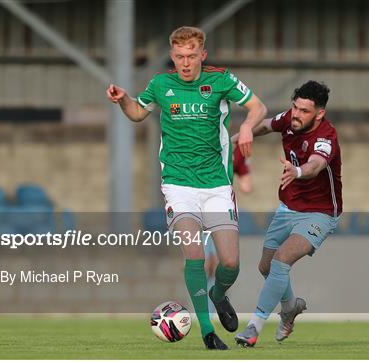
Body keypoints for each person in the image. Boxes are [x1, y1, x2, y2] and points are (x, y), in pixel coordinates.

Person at [106, 26, 267, 350]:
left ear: (202, 55)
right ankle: (208, 331)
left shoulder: (221, 79)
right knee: (194, 254)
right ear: (173, 56)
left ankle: (218, 294)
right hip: (178, 185)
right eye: (179, 56)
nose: (185, 62)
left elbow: (258, 107)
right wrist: (124, 100)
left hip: (216, 185)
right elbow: (138, 113)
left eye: (191, 55)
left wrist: (248, 126)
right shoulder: (161, 84)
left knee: (230, 264)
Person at [232, 81, 342, 347]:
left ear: (319, 114)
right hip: (287, 208)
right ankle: (291, 306)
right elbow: (267, 125)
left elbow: (315, 165)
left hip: (319, 213)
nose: (296, 114)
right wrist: (234, 138)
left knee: (281, 260)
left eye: (304, 111)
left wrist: (299, 171)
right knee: (266, 267)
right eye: (295, 107)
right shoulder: (289, 120)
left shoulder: (326, 137)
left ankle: (253, 327)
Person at [205, 146, 253, 314]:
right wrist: (244, 164)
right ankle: (213, 312)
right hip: (221, 208)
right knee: (219, 264)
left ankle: (206, 314)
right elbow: (247, 187)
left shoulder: (196, 135)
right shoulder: (237, 149)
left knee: (206, 264)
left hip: (197, 204)